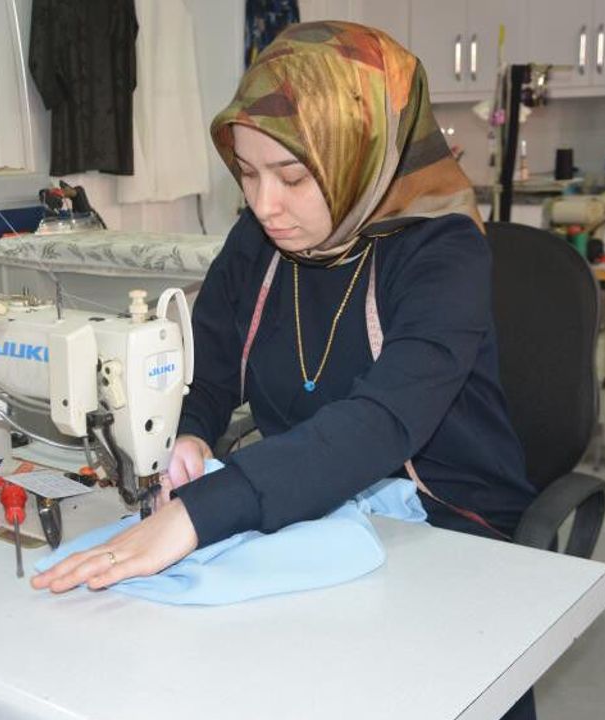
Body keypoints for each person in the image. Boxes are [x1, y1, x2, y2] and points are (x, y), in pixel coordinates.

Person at [32, 21, 539, 719]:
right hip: (319, 505)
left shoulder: (443, 254)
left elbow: (381, 422)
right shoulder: (258, 240)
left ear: (362, 152)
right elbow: (208, 367)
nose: (265, 205)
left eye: (294, 176)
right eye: (247, 173)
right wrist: (190, 434)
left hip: (448, 527)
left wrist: (201, 514)